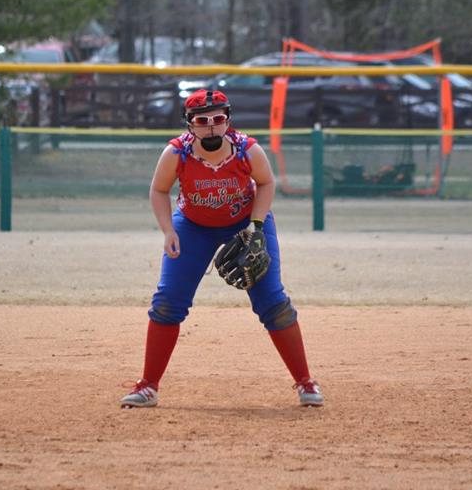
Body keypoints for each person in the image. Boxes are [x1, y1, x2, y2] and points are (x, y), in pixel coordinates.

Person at [121, 88, 324, 408]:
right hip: (192, 227)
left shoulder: (247, 150)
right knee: (167, 301)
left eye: (218, 119)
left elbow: (267, 183)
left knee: (272, 302)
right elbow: (159, 191)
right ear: (189, 124)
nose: (212, 127)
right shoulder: (177, 153)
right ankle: (148, 385)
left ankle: (305, 381)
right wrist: (168, 230)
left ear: (228, 120)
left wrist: (257, 227)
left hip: (245, 223)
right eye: (202, 121)